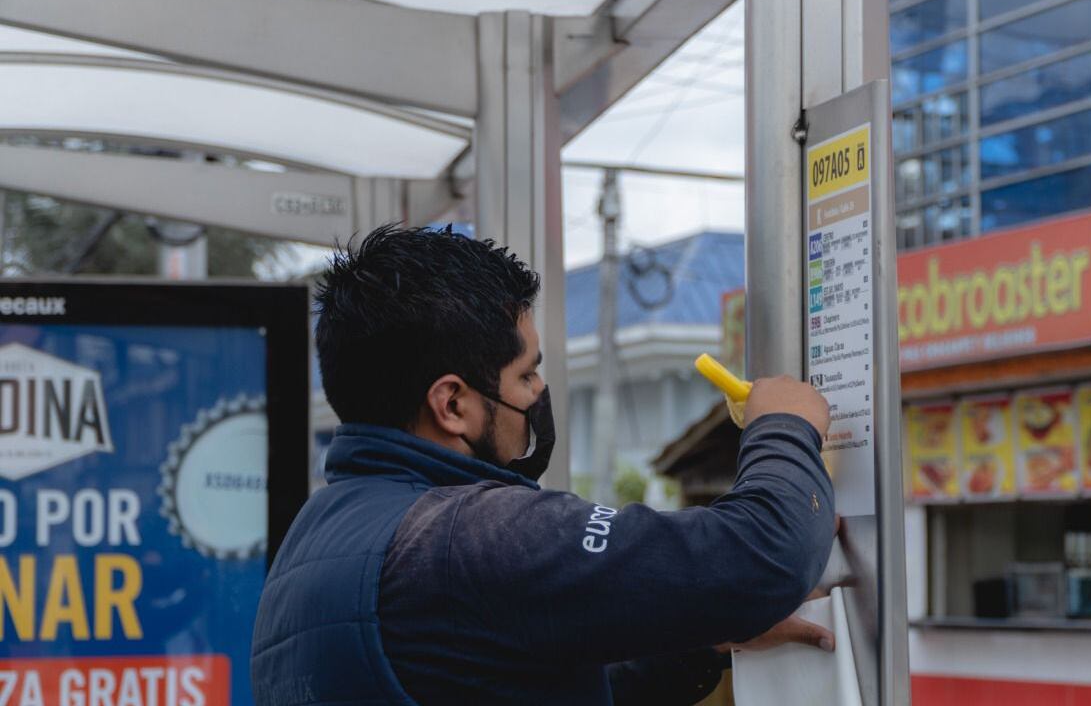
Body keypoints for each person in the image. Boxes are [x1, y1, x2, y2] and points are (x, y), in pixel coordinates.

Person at [251, 226, 838, 706]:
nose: (538, 394)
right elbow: (761, 555)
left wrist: (696, 640)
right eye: (526, 374)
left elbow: (509, 683)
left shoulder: (316, 536)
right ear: (452, 404)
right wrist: (784, 425)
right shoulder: (468, 536)